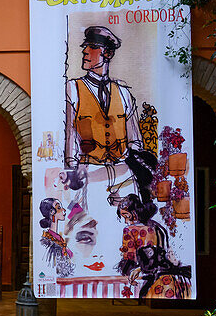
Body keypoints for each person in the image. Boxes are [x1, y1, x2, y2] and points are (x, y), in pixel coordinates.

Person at [65, 25, 143, 168]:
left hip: (122, 170)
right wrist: (72, 167)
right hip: (88, 170)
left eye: (92, 47)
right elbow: (70, 134)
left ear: (108, 53)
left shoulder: (123, 92)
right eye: (85, 46)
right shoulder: (73, 88)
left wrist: (133, 165)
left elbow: (135, 139)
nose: (85, 51)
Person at [116, 193, 167, 277]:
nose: (125, 221)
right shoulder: (155, 227)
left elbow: (129, 256)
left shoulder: (129, 230)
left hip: (136, 272)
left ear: (134, 213)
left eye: (126, 216)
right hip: (156, 270)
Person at [38, 197, 74, 278]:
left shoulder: (59, 239)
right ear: (51, 212)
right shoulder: (48, 242)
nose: (64, 210)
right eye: (59, 208)